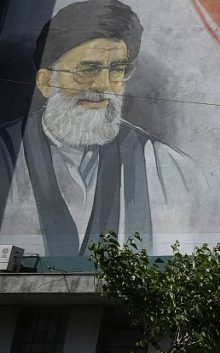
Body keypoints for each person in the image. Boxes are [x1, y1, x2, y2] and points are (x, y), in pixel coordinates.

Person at [0, 0, 203, 257]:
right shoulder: (6, 155)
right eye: (88, 69)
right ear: (46, 81)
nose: (103, 85)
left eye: (116, 70)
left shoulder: (171, 169)